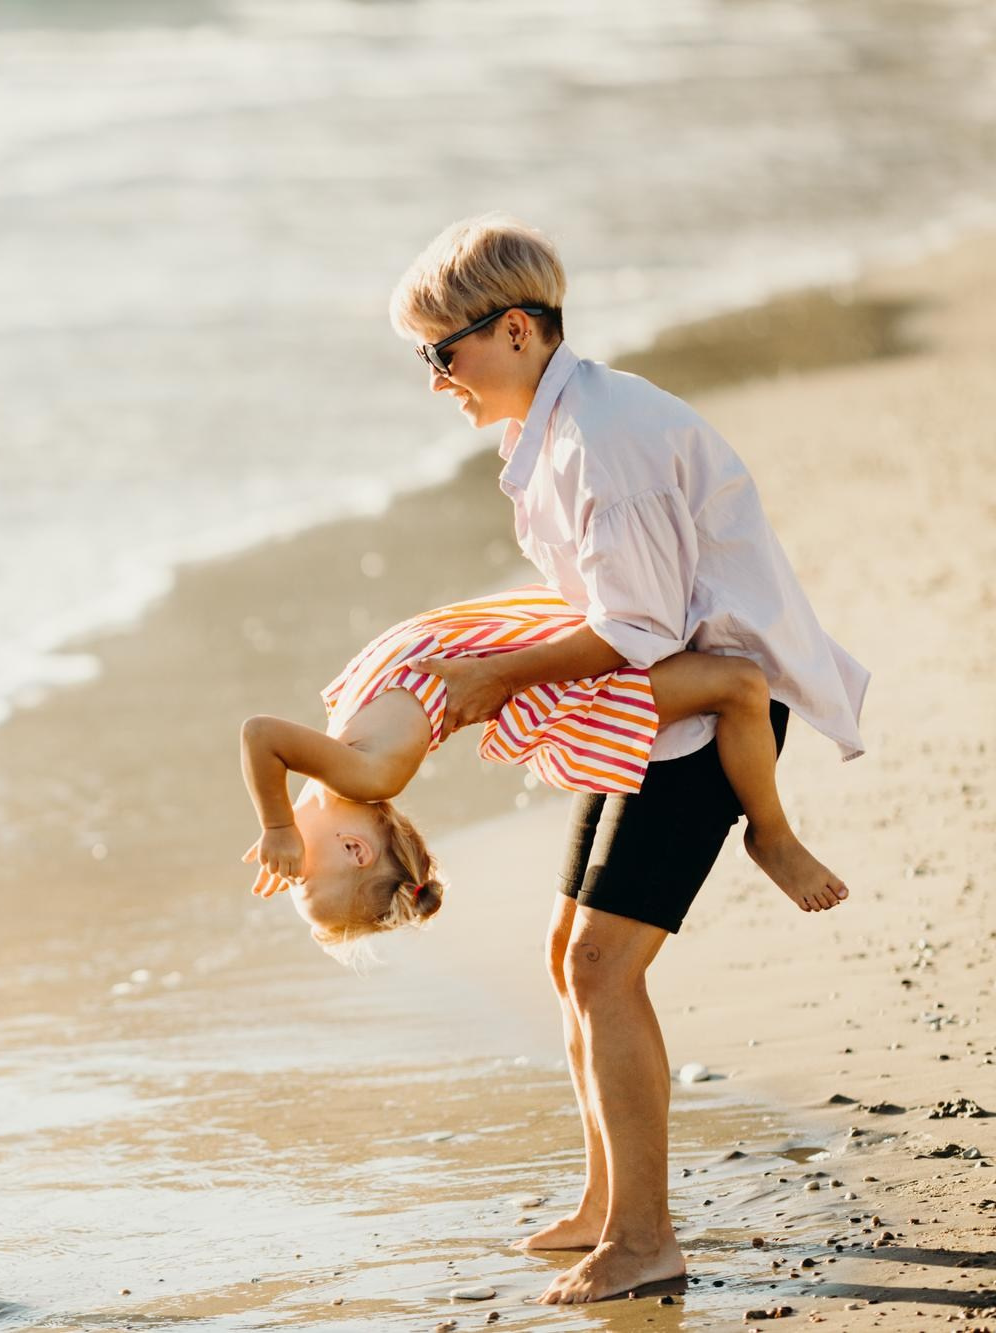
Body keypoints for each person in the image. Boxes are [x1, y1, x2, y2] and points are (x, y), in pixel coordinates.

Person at [367, 214, 868, 1305]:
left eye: (437, 353)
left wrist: (494, 681)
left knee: (603, 965)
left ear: (511, 330)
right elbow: (612, 612)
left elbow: (634, 626)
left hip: (706, 704)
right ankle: (605, 1202)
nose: (433, 379)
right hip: (648, 700)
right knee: (568, 952)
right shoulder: (553, 423)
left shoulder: (603, 443)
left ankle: (644, 1236)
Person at [239, 585, 848, 959]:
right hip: (551, 690)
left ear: (353, 846)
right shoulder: (361, 774)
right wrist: (282, 829)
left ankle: (772, 833)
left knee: (740, 684)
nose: (284, 865)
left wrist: (278, 827)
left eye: (293, 879)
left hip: (527, 667)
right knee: (738, 686)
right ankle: (768, 829)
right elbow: (268, 744)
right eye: (297, 876)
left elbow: (261, 735)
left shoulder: (361, 776)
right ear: (355, 848)